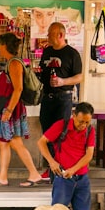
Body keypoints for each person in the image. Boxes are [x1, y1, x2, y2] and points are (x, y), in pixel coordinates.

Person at [0, 32, 43, 187]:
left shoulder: (14, 63)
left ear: (5, 45)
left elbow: (18, 89)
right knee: (3, 142)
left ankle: (34, 173)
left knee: (14, 141)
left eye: (0, 45)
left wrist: (8, 111)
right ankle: (2, 176)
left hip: (11, 108)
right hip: (7, 107)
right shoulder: (11, 62)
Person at [37, 102, 95, 210]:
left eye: (87, 122)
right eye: (81, 121)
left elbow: (89, 155)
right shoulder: (61, 126)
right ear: (73, 116)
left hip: (82, 178)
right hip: (63, 178)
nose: (83, 125)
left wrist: (73, 170)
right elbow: (41, 142)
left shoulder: (90, 130)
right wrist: (51, 162)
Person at [38, 21, 83, 181]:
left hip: (63, 98)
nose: (47, 37)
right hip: (47, 98)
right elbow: (42, 72)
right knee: (47, 134)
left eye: (50, 34)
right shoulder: (46, 52)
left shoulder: (72, 54)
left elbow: (79, 77)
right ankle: (50, 167)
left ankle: (61, 168)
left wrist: (63, 81)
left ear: (60, 35)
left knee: (61, 134)